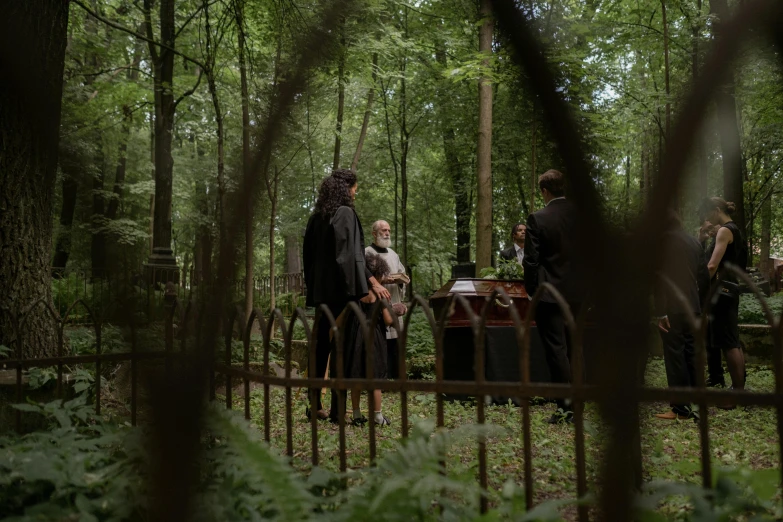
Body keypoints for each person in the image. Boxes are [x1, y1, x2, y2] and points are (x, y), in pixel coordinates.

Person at [303, 169, 391, 423]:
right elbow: (348, 256)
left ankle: (315, 405)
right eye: (354, 187)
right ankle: (337, 412)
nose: (356, 192)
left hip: (321, 291)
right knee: (341, 347)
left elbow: (309, 259)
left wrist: (314, 287)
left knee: (320, 347)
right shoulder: (344, 213)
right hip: (341, 291)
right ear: (345, 188)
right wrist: (360, 289)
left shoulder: (316, 217)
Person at [523, 169, 583, 424]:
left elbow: (531, 261)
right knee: (574, 347)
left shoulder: (538, 218)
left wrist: (531, 291)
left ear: (545, 191)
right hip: (578, 292)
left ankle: (566, 407)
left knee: (556, 349)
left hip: (549, 294)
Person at [654, 211, 709, 420]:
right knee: (691, 353)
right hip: (692, 306)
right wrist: (701, 307)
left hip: (672, 307)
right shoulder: (694, 243)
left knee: (675, 355)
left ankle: (680, 408)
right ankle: (696, 402)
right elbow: (704, 277)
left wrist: (660, 311)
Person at [698, 197, 747, 403]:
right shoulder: (733, 230)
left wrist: (698, 284)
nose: (707, 220)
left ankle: (737, 393)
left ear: (717, 210)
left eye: (708, 215)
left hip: (723, 290)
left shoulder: (725, 231)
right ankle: (737, 388)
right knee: (731, 340)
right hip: (730, 288)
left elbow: (711, 266)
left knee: (729, 343)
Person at [344, 253, 396, 426]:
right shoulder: (380, 293)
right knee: (376, 377)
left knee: (356, 375)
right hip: (375, 337)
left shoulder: (355, 292)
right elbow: (388, 319)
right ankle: (378, 416)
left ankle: (357, 415)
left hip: (356, 336)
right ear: (379, 273)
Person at [365, 220, 407, 379]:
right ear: (374, 233)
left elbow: (401, 272)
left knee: (394, 343)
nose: (387, 233)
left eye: (388, 230)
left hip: (393, 299)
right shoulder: (366, 253)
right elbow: (364, 281)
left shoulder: (393, 254)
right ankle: (379, 377)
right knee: (378, 341)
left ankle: (395, 377)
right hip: (376, 305)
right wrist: (381, 281)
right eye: (383, 230)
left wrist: (402, 282)